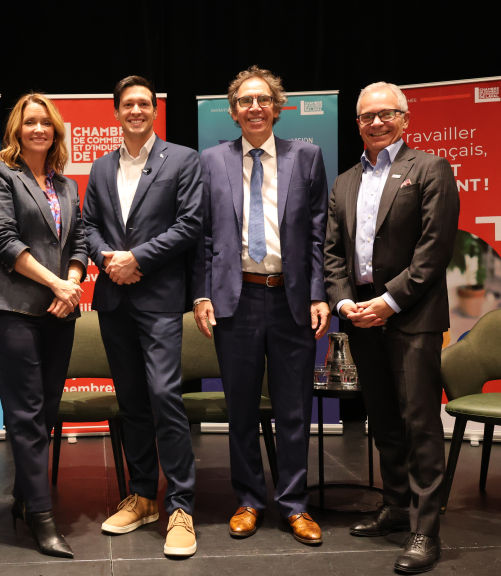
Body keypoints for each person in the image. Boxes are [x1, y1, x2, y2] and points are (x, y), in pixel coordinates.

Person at [324, 81, 459, 573]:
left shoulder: (428, 169)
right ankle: (397, 505)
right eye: (366, 117)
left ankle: (425, 530)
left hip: (412, 317)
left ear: (405, 118)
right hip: (359, 317)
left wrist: (388, 301)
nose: (375, 123)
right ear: (356, 123)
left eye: (386, 114)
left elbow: (434, 249)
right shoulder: (343, 182)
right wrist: (342, 305)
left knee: (419, 422)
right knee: (382, 419)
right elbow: (333, 253)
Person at [192, 66, 330, 545]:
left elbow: (317, 233)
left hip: (291, 299)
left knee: (294, 408)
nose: (254, 107)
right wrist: (202, 292)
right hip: (237, 298)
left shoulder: (306, 157)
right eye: (245, 101)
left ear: (278, 107)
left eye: (263, 100)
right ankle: (249, 500)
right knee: (242, 409)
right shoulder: (211, 161)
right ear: (232, 112)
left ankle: (294, 505)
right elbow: (202, 235)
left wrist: (318, 293)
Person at [82, 76, 202, 557]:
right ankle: (143, 496)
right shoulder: (100, 166)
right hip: (113, 299)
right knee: (131, 400)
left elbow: (191, 223)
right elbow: (88, 226)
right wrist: (109, 258)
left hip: (157, 300)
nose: (135, 110)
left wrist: (139, 258)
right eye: (127, 104)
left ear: (155, 111)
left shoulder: (182, 160)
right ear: (116, 112)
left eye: (143, 104)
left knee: (164, 396)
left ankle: (181, 507)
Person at [0, 93, 87, 559]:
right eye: (30, 123)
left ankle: (25, 501)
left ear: (55, 130)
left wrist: (74, 282)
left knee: (43, 414)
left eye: (46, 123)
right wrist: (56, 285)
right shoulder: (0, 174)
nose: (38, 129)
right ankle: (42, 519)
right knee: (25, 414)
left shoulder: (65, 185)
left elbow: (79, 239)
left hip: (59, 312)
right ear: (16, 131)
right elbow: (3, 239)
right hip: (12, 310)